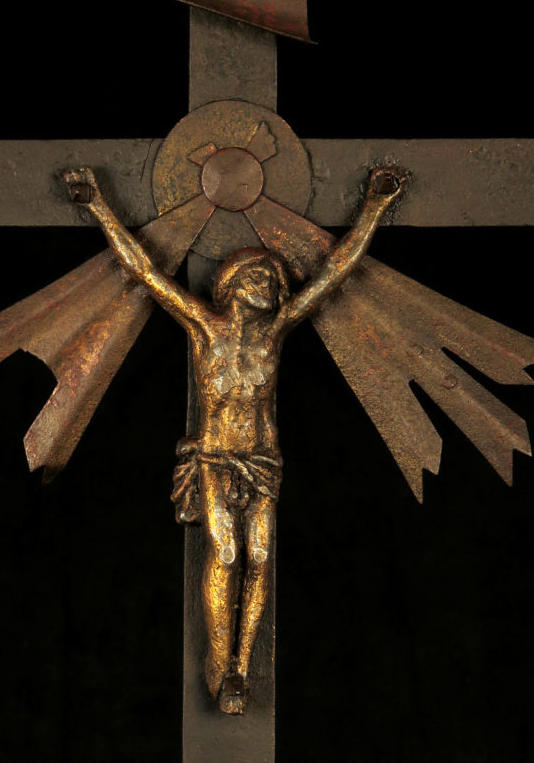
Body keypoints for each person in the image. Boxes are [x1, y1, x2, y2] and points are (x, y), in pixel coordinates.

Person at [64, 165, 406, 713]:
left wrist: (375, 207)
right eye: (259, 278)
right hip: (216, 456)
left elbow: (334, 274)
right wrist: (97, 205)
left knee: (262, 555)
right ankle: (219, 660)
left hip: (263, 459)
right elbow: (145, 272)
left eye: (273, 281)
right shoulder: (205, 328)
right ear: (232, 286)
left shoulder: (275, 334)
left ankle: (241, 669)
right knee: (225, 553)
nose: (270, 286)